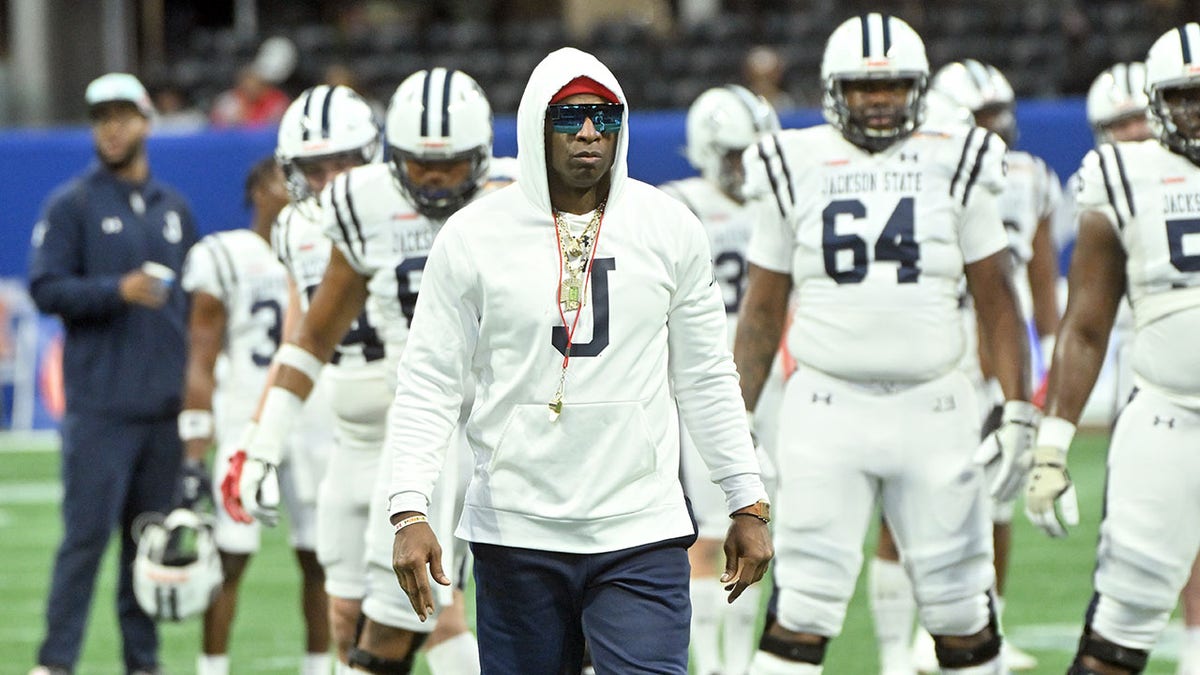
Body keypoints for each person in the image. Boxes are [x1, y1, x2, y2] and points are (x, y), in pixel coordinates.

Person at [385, 46, 773, 675]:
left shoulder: (669, 227)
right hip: (516, 529)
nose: (589, 132)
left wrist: (746, 498)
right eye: (568, 117)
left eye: (603, 116)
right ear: (536, 123)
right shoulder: (472, 236)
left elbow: (705, 376)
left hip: (640, 523)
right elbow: (428, 381)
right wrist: (409, 507)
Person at [734, 14, 1034, 674]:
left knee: (963, 609)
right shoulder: (793, 161)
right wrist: (735, 425)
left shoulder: (959, 157)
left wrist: (1018, 407)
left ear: (919, 88)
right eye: (864, 87)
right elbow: (761, 309)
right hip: (826, 405)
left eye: (895, 86)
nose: (878, 99)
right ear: (832, 90)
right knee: (802, 605)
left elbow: (997, 298)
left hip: (935, 401)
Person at [224, 70, 510, 674]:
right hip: (350, 439)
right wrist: (261, 439)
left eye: (342, 164)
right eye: (314, 168)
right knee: (352, 620)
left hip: (432, 430)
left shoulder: (504, 201)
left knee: (422, 610)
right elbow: (306, 335)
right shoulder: (326, 219)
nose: (331, 183)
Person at [870, 58, 1062, 674]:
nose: (995, 127)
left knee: (999, 502)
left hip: (999, 351)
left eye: (1000, 114)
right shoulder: (914, 173)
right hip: (937, 349)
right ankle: (899, 648)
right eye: (980, 116)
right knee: (904, 504)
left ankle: (992, 626)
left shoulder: (1030, 177)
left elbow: (1037, 281)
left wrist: (1044, 356)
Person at [1026, 24, 1200, 674]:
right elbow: (1087, 324)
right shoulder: (1123, 173)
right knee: (1119, 628)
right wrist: (1053, 443)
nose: (1198, 112)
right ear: (1157, 103)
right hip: (1167, 415)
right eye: (1185, 97)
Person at [26, 72, 198, 675]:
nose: (113, 127)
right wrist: (115, 290)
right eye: (102, 117)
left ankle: (142, 664)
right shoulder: (71, 204)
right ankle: (55, 663)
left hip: (163, 409)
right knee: (84, 542)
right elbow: (45, 288)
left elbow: (194, 309)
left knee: (148, 547)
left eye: (124, 115)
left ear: (146, 122)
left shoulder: (173, 209)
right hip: (101, 407)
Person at [179, 157, 334, 675]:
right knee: (230, 555)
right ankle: (212, 667)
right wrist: (195, 446)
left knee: (321, 556)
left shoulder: (323, 249)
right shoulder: (224, 254)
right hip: (246, 418)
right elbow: (201, 352)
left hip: (312, 418)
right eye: (278, 181)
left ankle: (319, 666)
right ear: (255, 192)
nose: (291, 191)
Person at [660, 83, 782, 675]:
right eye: (738, 153)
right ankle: (708, 665)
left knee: (759, 526)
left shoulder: (777, 202)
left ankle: (739, 664)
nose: (750, 166)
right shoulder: (677, 204)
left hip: (771, 382)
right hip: (702, 383)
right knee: (710, 534)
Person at [209, 65, 289, 128]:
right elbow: (217, 129)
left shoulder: (276, 101)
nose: (251, 88)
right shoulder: (229, 101)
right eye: (248, 83)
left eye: (255, 83)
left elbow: (278, 126)